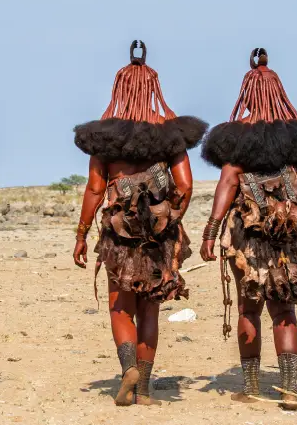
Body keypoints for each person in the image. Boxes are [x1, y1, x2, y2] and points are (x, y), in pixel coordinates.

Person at [199, 49, 297, 409]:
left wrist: (210, 233)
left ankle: (252, 387)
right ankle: (290, 390)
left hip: (247, 237)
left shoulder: (235, 137)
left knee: (249, 309)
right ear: (278, 91)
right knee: (284, 309)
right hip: (289, 235)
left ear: (247, 92)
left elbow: (227, 183)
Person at [72, 41, 206, 406]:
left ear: (119, 88)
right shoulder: (169, 133)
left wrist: (82, 235)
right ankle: (144, 389)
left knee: (120, 306)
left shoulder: (104, 137)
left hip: (118, 232)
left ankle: (128, 368)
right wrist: (171, 219)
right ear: (153, 88)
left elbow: (95, 189)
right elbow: (186, 185)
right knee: (150, 308)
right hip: (159, 234)